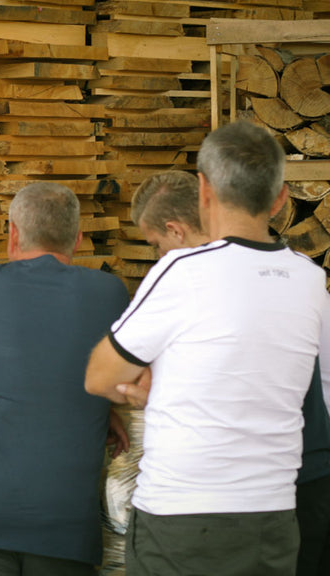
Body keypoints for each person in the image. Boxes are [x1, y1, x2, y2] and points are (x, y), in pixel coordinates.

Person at [85, 120, 328, 575]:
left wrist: (143, 387)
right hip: (273, 516)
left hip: (182, 516)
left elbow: (100, 376)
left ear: (204, 191)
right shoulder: (312, 280)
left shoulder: (182, 269)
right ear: (280, 199)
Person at [0, 183, 129, 575]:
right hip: (62, 525)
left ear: (12, 233)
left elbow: (0, 367)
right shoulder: (110, 292)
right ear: (77, 238)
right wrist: (101, 407)